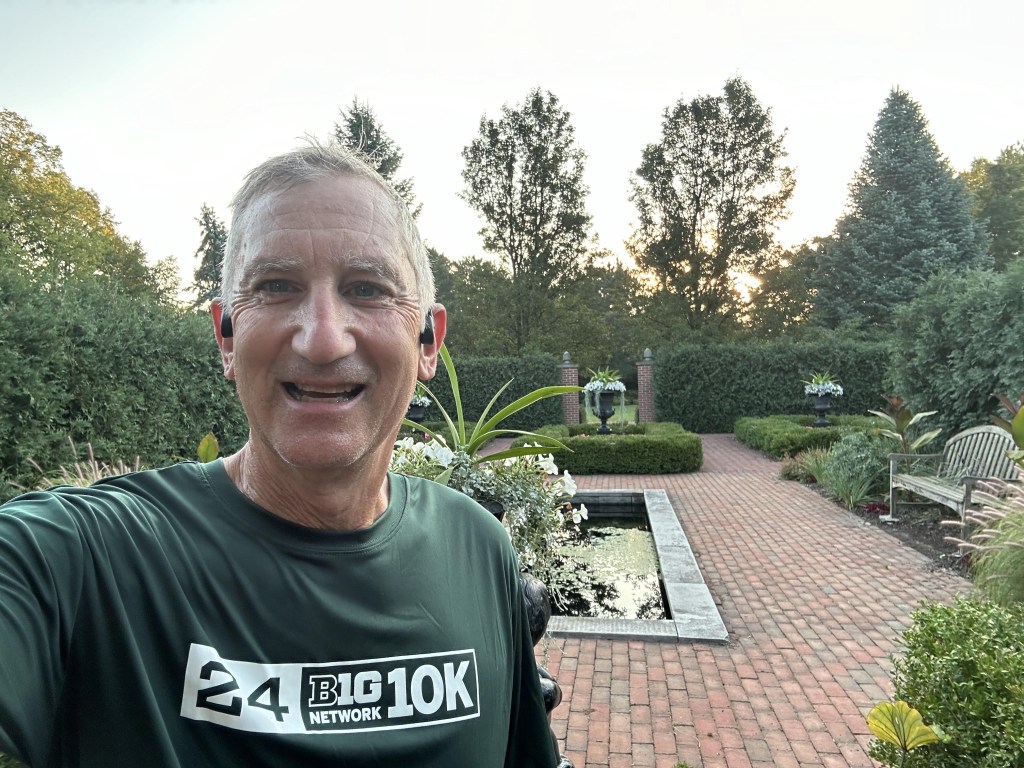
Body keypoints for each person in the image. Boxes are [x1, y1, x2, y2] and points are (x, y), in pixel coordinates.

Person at [0, 141, 559, 767]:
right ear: (226, 336)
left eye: (368, 288)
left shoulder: (478, 548)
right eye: (275, 286)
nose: (322, 340)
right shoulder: (88, 559)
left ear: (428, 341)